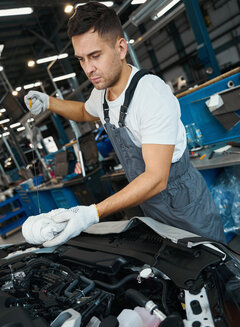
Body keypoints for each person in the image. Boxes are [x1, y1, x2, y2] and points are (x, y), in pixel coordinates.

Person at [23, 2, 225, 247]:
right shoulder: (102, 95)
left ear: (120, 48)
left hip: (184, 204)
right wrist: (48, 102)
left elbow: (156, 178)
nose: (88, 69)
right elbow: (83, 112)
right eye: (81, 59)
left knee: (212, 270)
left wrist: (92, 213)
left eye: (95, 56)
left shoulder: (150, 94)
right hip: (151, 205)